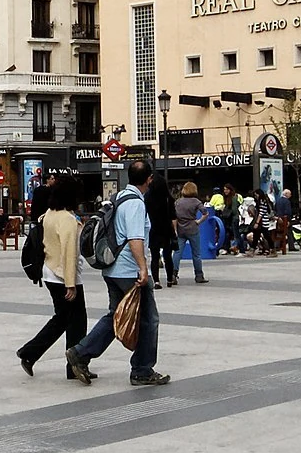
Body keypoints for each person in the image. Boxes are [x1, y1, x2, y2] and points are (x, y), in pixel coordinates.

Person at [65, 162, 169, 387]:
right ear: (149, 179)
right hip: (129, 271)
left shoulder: (118, 197)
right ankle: (142, 370)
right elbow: (135, 239)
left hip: (112, 268)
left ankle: (80, 353)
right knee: (148, 320)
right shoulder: (135, 203)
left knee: (117, 316)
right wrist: (143, 268)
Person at [17, 183, 88, 377]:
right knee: (77, 321)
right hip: (63, 275)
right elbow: (69, 252)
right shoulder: (67, 219)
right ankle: (73, 364)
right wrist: (71, 284)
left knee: (63, 319)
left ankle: (31, 353)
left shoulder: (49, 214)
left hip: (49, 271)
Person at [150, 178, 181, 287]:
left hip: (153, 229)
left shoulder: (148, 197)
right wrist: (175, 230)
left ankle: (156, 281)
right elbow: (173, 216)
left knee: (155, 256)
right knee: (167, 256)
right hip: (167, 229)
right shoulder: (168, 198)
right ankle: (169, 279)